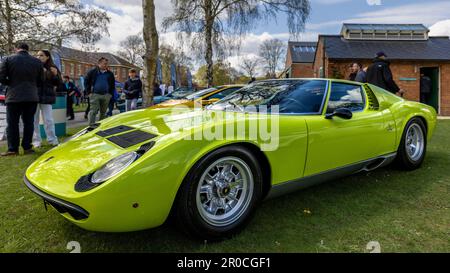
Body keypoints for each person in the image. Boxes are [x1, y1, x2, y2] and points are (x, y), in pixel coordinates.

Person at [0, 42, 44, 156]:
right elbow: (41, 80)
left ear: (16, 48)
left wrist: (11, 83)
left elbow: (1, 77)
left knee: (13, 123)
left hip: (14, 96)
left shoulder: (8, 59)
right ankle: (27, 147)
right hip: (31, 96)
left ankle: (13, 149)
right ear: (27, 49)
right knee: (29, 122)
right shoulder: (37, 62)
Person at [33, 50, 61, 148]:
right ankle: (36, 142)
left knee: (48, 120)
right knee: (34, 120)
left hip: (47, 96)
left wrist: (54, 74)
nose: (39, 57)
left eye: (41, 55)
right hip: (34, 96)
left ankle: (52, 140)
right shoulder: (34, 67)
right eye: (37, 55)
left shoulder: (53, 68)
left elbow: (58, 83)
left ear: (47, 57)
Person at [84, 57, 115, 125]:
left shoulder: (110, 74)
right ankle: (91, 127)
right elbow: (86, 82)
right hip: (95, 95)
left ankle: (100, 127)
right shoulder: (92, 72)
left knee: (103, 112)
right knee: (93, 111)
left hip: (106, 95)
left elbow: (112, 85)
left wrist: (110, 94)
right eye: (104, 64)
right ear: (99, 64)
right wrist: (89, 93)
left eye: (107, 64)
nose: (106, 65)